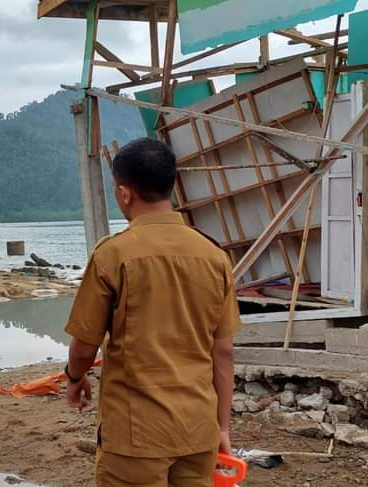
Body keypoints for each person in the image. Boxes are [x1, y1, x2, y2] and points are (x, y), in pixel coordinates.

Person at [63, 138, 241, 487]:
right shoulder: (214, 256)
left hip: (135, 434)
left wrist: (74, 378)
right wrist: (221, 427)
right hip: (197, 428)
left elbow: (85, 345)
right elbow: (224, 352)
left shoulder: (112, 255)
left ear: (124, 194)